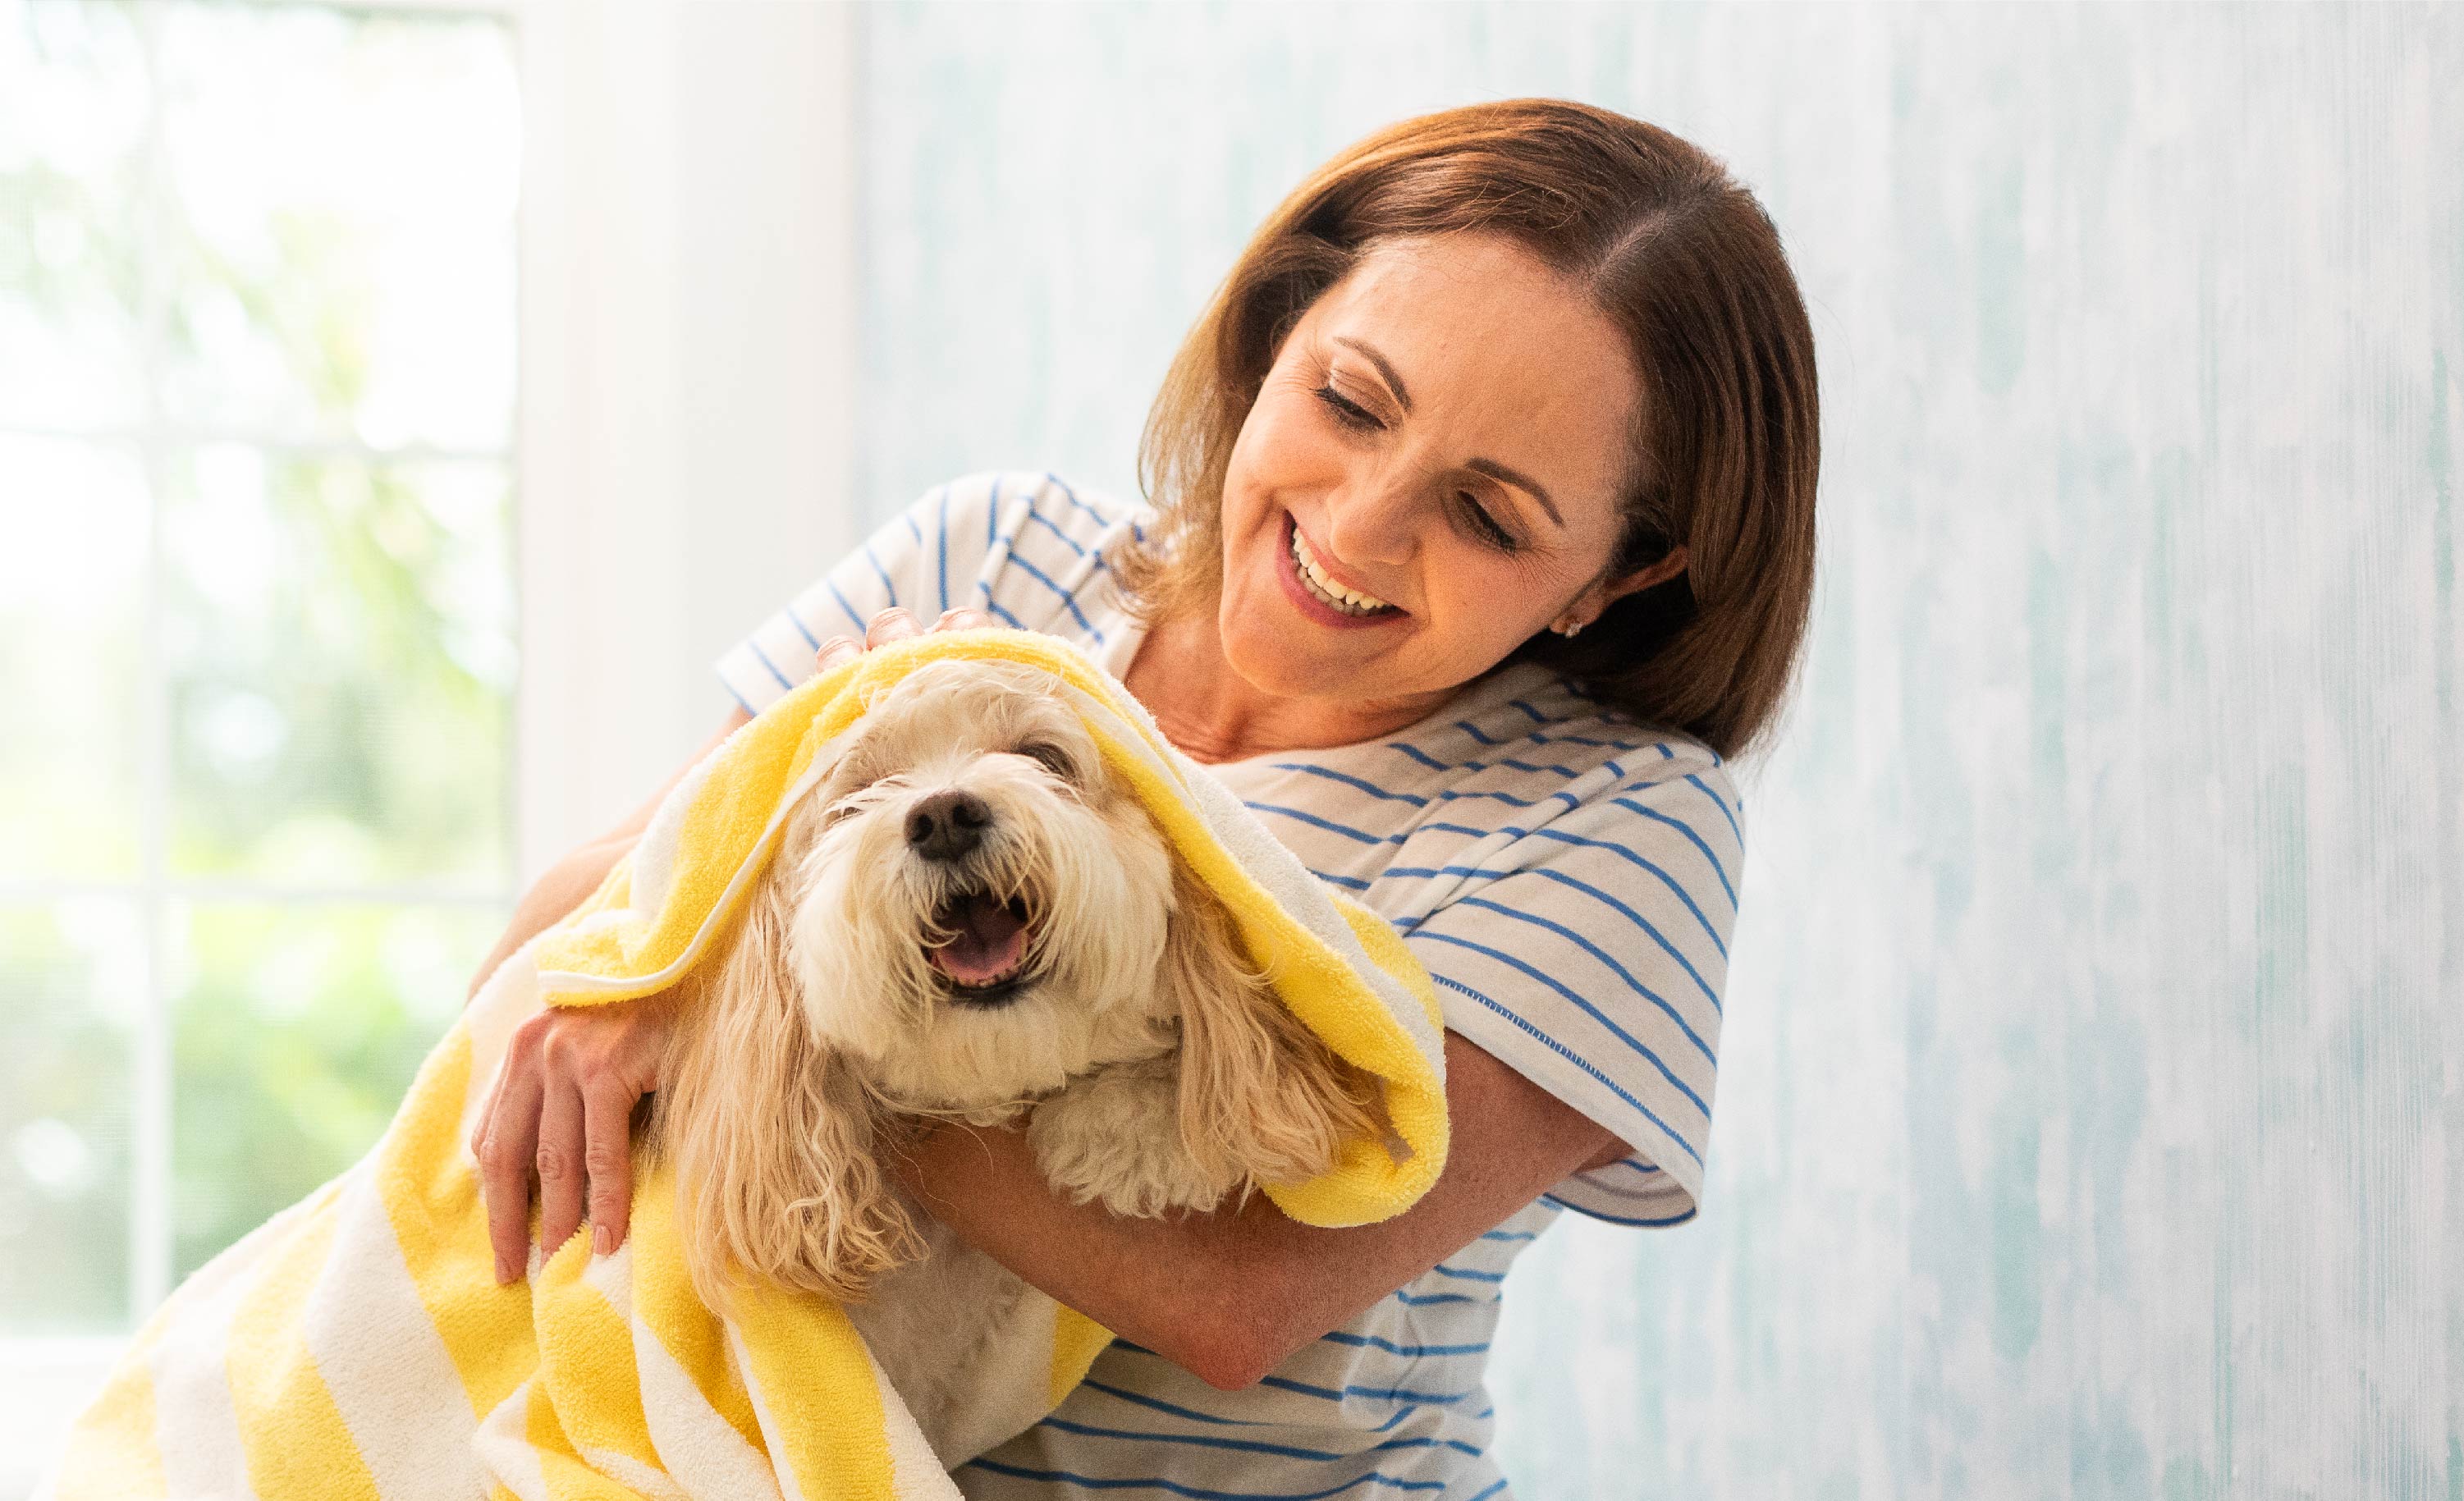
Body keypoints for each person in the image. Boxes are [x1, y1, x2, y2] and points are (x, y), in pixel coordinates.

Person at [465, 98, 1818, 1498]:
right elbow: (542, 946)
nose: (1356, 527)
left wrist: (743, 1021)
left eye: (1487, 516)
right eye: (1349, 403)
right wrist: (660, 937)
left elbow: (1235, 1297)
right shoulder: (985, 564)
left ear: (1614, 577)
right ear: (1274, 331)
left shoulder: (1617, 818)